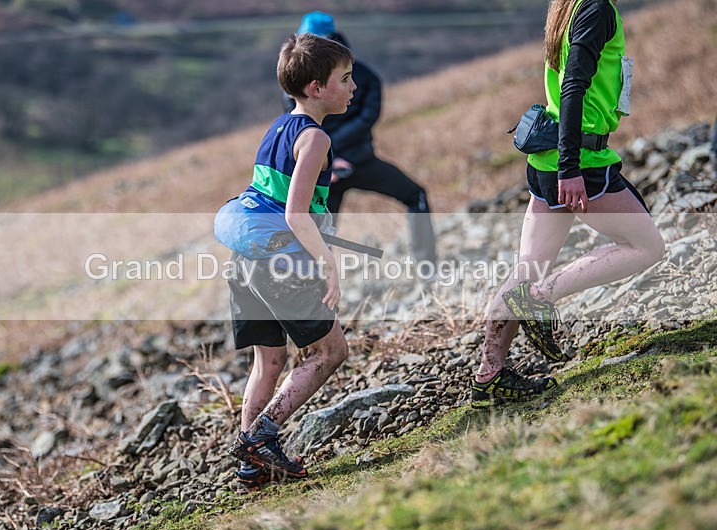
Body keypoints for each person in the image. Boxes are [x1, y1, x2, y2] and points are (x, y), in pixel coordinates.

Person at [470, 0, 665, 407]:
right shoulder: (594, 7)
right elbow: (574, 85)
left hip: (548, 157)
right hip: (579, 161)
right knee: (648, 247)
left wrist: (561, 163)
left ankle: (489, 373)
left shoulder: (568, 4)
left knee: (528, 265)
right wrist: (570, 167)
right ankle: (542, 297)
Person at [223, 33, 355, 490]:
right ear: (317, 87)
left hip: (245, 259)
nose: (354, 86)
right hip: (281, 262)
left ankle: (250, 465)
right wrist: (329, 264)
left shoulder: (279, 126)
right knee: (330, 351)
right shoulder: (315, 138)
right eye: (346, 78)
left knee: (270, 361)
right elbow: (296, 213)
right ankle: (262, 438)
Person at [284, 11, 437, 269]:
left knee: (316, 229)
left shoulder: (359, 77)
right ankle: (428, 269)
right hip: (338, 165)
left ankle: (426, 268)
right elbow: (360, 119)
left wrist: (328, 156)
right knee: (316, 230)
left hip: (335, 166)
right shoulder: (361, 75)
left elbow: (302, 126)